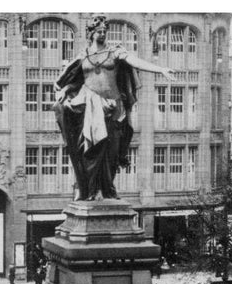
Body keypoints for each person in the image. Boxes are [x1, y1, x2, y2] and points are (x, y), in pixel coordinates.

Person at [55, 14, 173, 201]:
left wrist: (160, 70)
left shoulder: (114, 52)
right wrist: (66, 89)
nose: (102, 34)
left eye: (104, 31)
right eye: (99, 31)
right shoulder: (84, 56)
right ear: (91, 33)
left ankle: (108, 190)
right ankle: (89, 190)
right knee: (92, 150)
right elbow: (75, 81)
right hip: (91, 107)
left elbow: (135, 61)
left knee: (111, 151)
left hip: (113, 106)